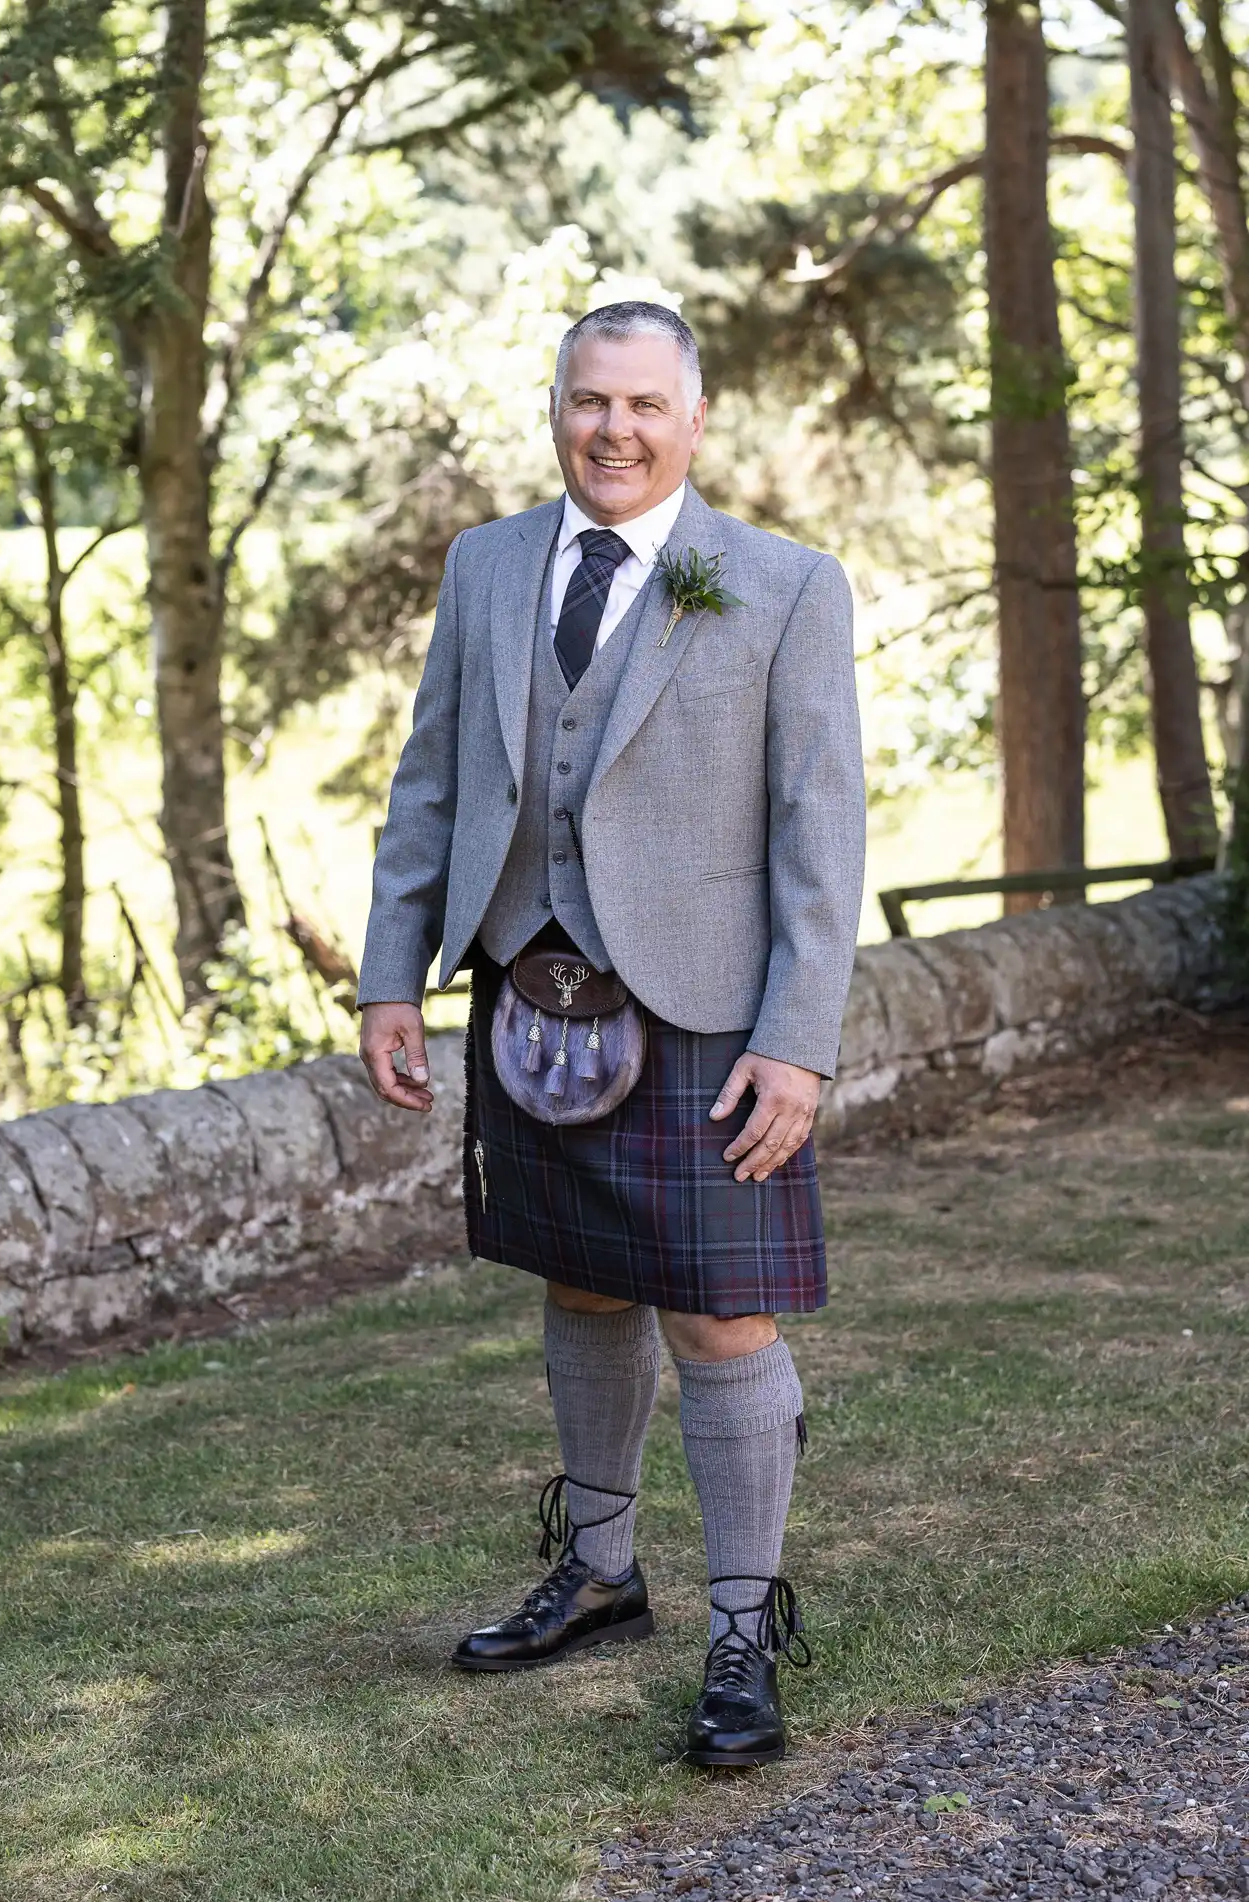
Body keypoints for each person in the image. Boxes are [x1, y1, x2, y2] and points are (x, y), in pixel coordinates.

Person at [357, 300, 865, 1767]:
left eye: (644, 404)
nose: (615, 430)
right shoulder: (489, 564)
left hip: (706, 1003)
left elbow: (820, 837)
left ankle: (742, 1630)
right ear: (558, 408)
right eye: (590, 401)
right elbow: (432, 787)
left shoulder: (780, 585)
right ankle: (598, 1570)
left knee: (719, 1316)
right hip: (527, 992)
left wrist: (801, 1039)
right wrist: (395, 974)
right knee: (580, 1286)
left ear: (695, 421)